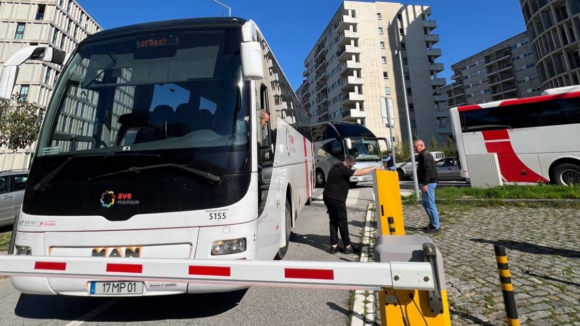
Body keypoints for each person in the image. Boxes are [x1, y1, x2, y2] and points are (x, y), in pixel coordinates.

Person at [323, 155, 382, 254]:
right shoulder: (344, 169)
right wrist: (373, 167)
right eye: (352, 166)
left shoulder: (336, 166)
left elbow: (356, 170)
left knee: (333, 221)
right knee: (342, 222)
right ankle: (348, 246)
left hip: (328, 197)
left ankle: (334, 246)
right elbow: (359, 172)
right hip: (337, 199)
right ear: (350, 164)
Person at [414, 139, 440, 233]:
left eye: (415, 146)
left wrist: (425, 184)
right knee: (425, 204)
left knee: (430, 204)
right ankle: (432, 223)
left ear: (421, 145)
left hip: (429, 183)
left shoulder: (426, 155)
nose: (415, 148)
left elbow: (428, 170)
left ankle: (436, 226)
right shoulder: (422, 155)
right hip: (426, 183)